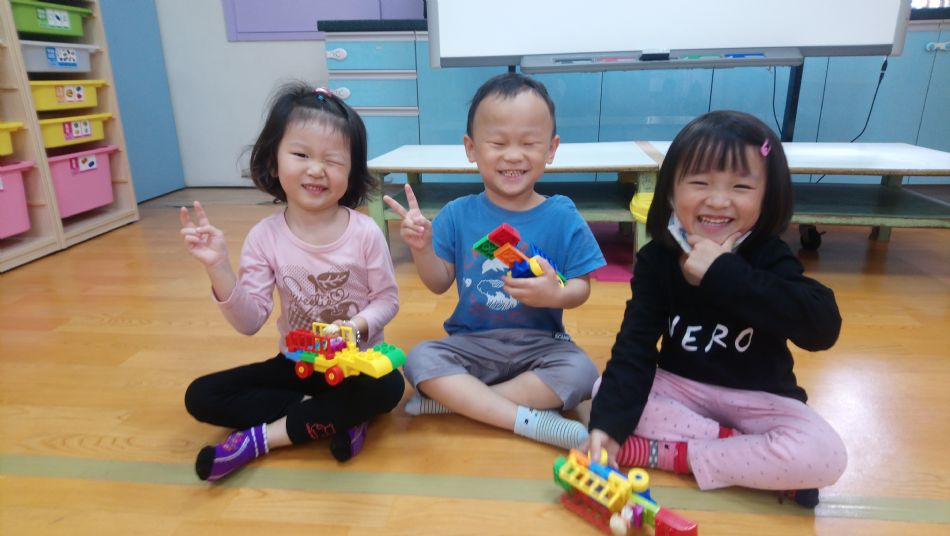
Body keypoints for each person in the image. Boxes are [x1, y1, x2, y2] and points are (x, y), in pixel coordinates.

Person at [584, 110, 847, 508]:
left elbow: (822, 326)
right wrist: (606, 430)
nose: (718, 200)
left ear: (766, 197)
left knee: (826, 454)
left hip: (759, 398)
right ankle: (744, 452)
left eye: (741, 186)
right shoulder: (657, 259)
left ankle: (673, 455)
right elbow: (634, 348)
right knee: (604, 393)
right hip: (682, 391)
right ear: (671, 192)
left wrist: (724, 273)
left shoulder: (767, 254)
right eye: (700, 182)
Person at [180, 82, 404, 481]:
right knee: (202, 395)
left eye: (333, 160)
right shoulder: (264, 237)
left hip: (357, 365)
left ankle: (261, 440)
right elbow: (250, 322)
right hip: (298, 365)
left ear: (351, 172)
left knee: (389, 387)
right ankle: (335, 417)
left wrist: (355, 328)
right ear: (273, 162)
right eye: (301, 155)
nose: (316, 169)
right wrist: (218, 267)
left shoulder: (365, 232)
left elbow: (387, 300)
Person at [383, 73, 605, 449]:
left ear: (551, 149)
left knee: (582, 372)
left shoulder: (562, 215)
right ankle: (527, 420)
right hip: (472, 344)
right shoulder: (457, 214)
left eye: (529, 143)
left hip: (541, 344)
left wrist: (556, 294)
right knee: (418, 359)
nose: (513, 155)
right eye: (498, 143)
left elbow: (581, 287)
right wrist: (422, 249)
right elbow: (438, 282)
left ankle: (461, 403)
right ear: (471, 148)